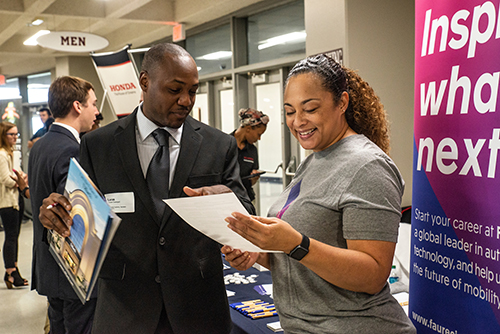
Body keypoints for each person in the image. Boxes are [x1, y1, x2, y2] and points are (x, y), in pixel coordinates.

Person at [38, 43, 254, 334]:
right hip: (123, 310)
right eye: (175, 90)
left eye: (192, 90)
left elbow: (245, 210)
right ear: (144, 82)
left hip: (199, 309)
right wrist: (56, 214)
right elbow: (75, 211)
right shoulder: (98, 145)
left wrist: (227, 203)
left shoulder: (218, 145)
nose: (186, 101)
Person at [222, 54, 416, 333]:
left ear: (342, 103)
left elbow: (373, 274)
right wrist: (259, 252)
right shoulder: (314, 160)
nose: (298, 121)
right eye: (289, 112)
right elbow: (301, 257)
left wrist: (294, 243)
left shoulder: (368, 165)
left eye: (309, 108)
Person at [28, 76, 99, 334]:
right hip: (71, 272)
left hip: (48, 267)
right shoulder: (72, 149)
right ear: (78, 106)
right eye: (93, 103)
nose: (97, 111)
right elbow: (72, 218)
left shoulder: (40, 146)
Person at [0, 121, 28, 288]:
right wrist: (20, 181)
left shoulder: (11, 153)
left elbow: (18, 173)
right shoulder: (2, 155)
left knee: (14, 236)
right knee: (10, 237)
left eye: (16, 134)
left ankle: (12, 269)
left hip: (16, 199)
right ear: (4, 135)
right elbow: (5, 179)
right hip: (7, 202)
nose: (15, 137)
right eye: (12, 134)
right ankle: (11, 272)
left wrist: (20, 178)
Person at [230, 108, 269, 201]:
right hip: (228, 198)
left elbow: (251, 176)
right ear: (248, 128)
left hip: (246, 198)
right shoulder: (225, 144)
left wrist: (253, 179)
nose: (259, 138)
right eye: (258, 134)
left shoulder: (252, 150)